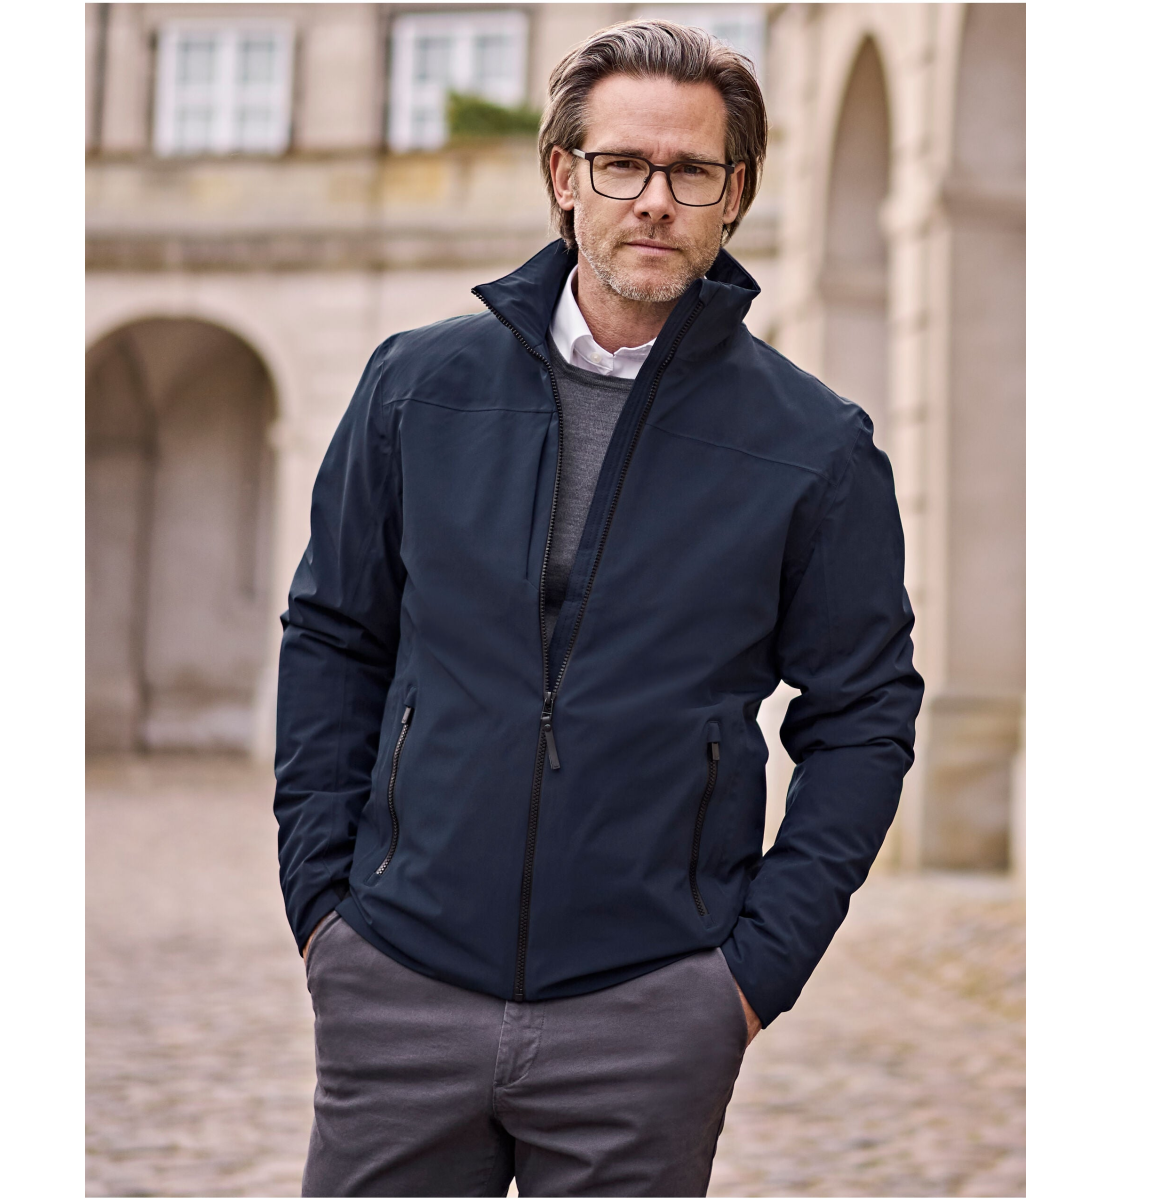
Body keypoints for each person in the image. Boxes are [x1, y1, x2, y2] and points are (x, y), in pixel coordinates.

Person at [275, 19, 923, 1198]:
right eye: (623, 164)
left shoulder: (815, 447)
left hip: (650, 1009)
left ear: (737, 194)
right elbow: (334, 635)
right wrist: (327, 910)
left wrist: (747, 976)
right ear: (564, 178)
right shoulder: (416, 389)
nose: (655, 200)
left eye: (692, 172)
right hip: (398, 982)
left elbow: (865, 714)